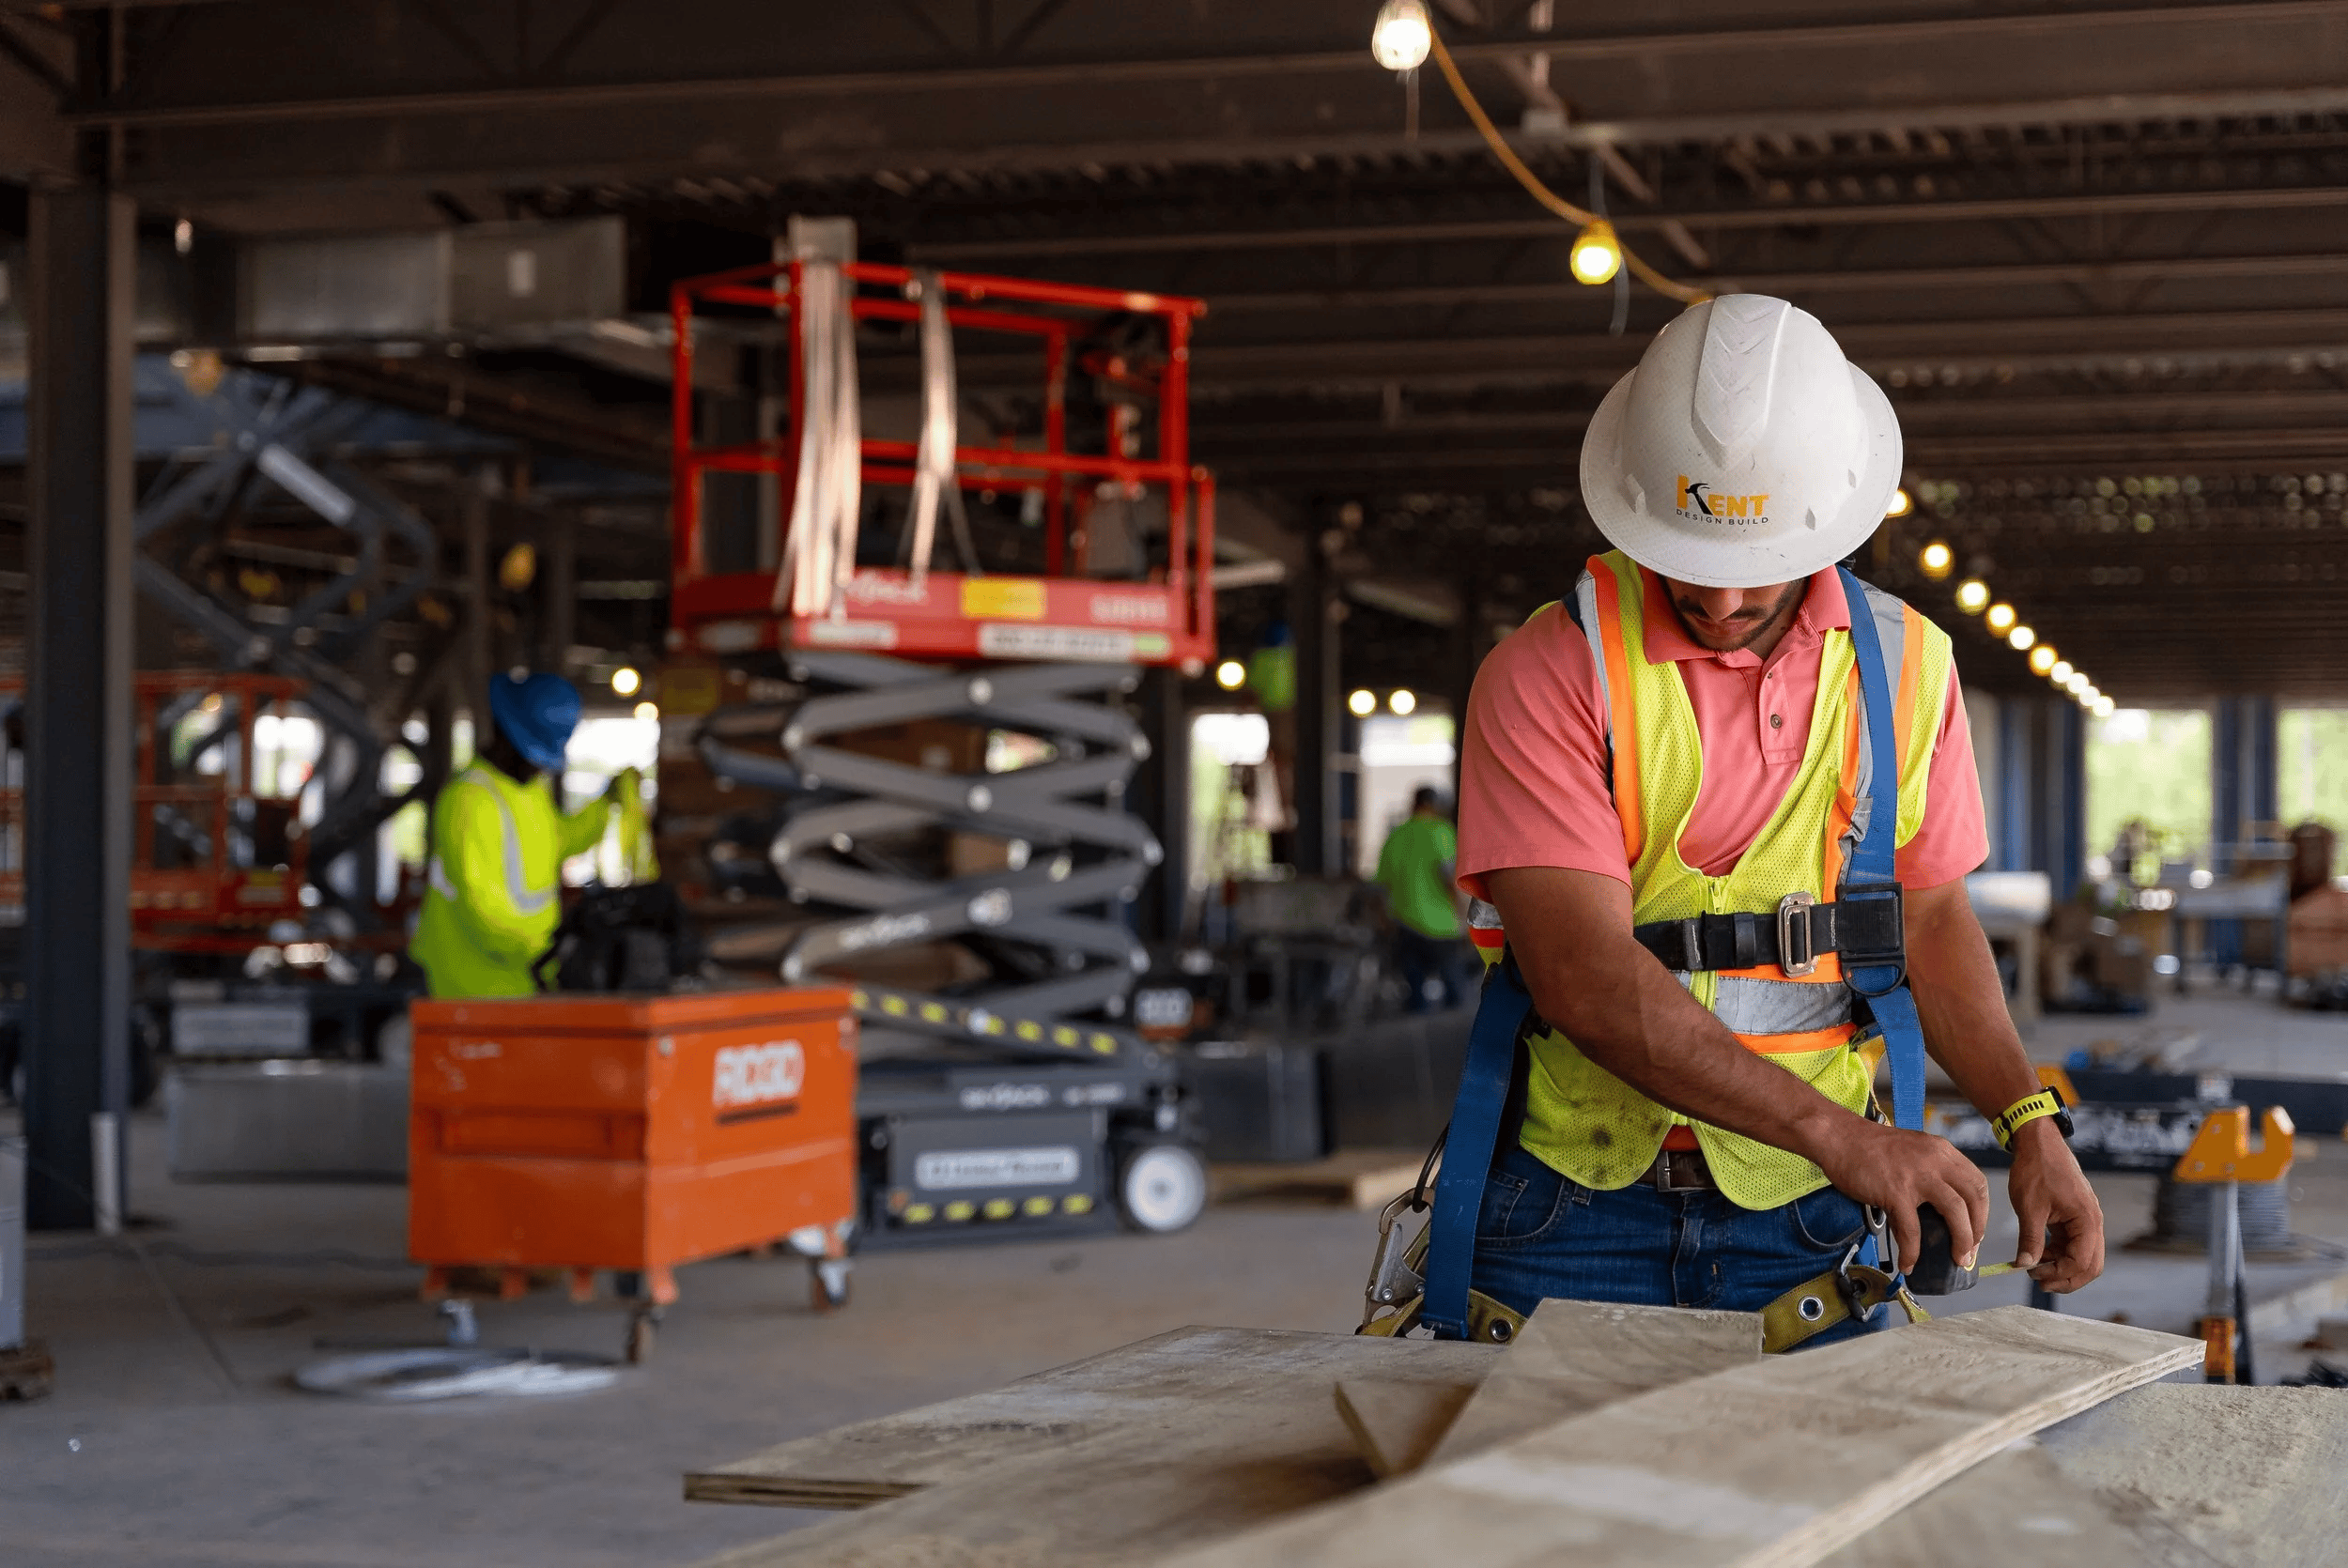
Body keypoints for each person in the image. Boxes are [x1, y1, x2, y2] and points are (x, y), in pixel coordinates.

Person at [1433, 294, 2103, 1346]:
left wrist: (2029, 1117)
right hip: (1574, 1201)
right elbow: (1584, 976)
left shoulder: (1907, 668)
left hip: (1806, 1212)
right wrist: (1847, 1140)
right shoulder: (1550, 668)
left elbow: (1928, 920)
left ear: (1828, 518)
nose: (1715, 598)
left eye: (1751, 573)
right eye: (1687, 557)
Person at [409, 672, 624, 998]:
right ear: (504, 736)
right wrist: (553, 952)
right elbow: (485, 913)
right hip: (472, 985)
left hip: (525, 977)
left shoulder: (529, 792)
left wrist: (606, 804)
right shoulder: (469, 802)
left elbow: (557, 843)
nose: (541, 769)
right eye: (534, 756)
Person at [1375, 786, 1469, 1012]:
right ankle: (1451, 1044)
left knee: (1415, 995)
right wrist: (1464, 916)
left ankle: (1417, 1042)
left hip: (1404, 924)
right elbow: (1450, 880)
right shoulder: (1440, 830)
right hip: (1440, 925)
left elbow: (1382, 884)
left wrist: (1385, 921)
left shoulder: (1396, 835)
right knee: (1455, 993)